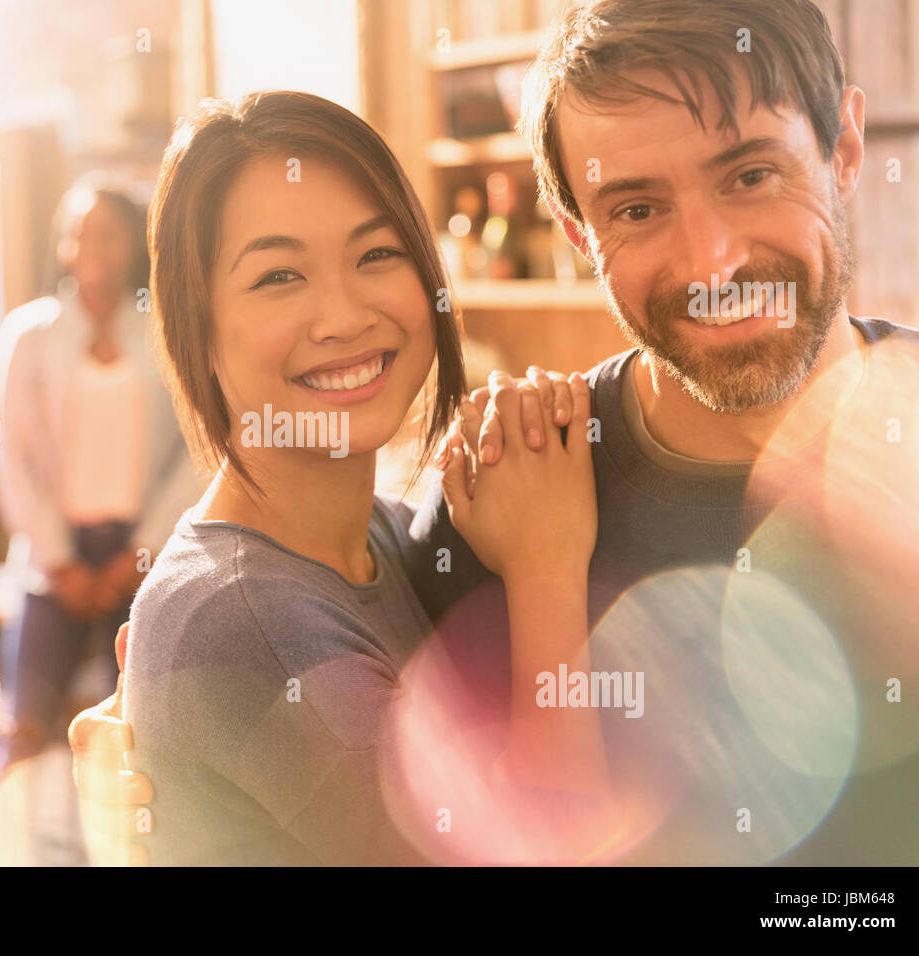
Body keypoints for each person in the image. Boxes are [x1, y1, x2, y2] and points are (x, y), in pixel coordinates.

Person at [72, 0, 919, 866]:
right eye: (637, 208)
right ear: (579, 234)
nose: (711, 258)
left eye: (750, 175)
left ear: (845, 150)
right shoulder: (502, 502)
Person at [104, 89, 615, 866]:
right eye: (279, 276)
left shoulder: (374, 532)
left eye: (377, 254)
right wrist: (547, 568)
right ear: (195, 326)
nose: (343, 316)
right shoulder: (241, 614)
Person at [0, 178, 201, 787]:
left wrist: (143, 551)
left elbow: (193, 452)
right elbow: (9, 454)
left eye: (107, 231)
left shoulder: (166, 333)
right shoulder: (29, 335)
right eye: (78, 230)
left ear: (134, 242)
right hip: (54, 561)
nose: (90, 244)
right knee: (22, 728)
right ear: (64, 246)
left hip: (144, 556)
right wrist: (58, 560)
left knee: (137, 739)